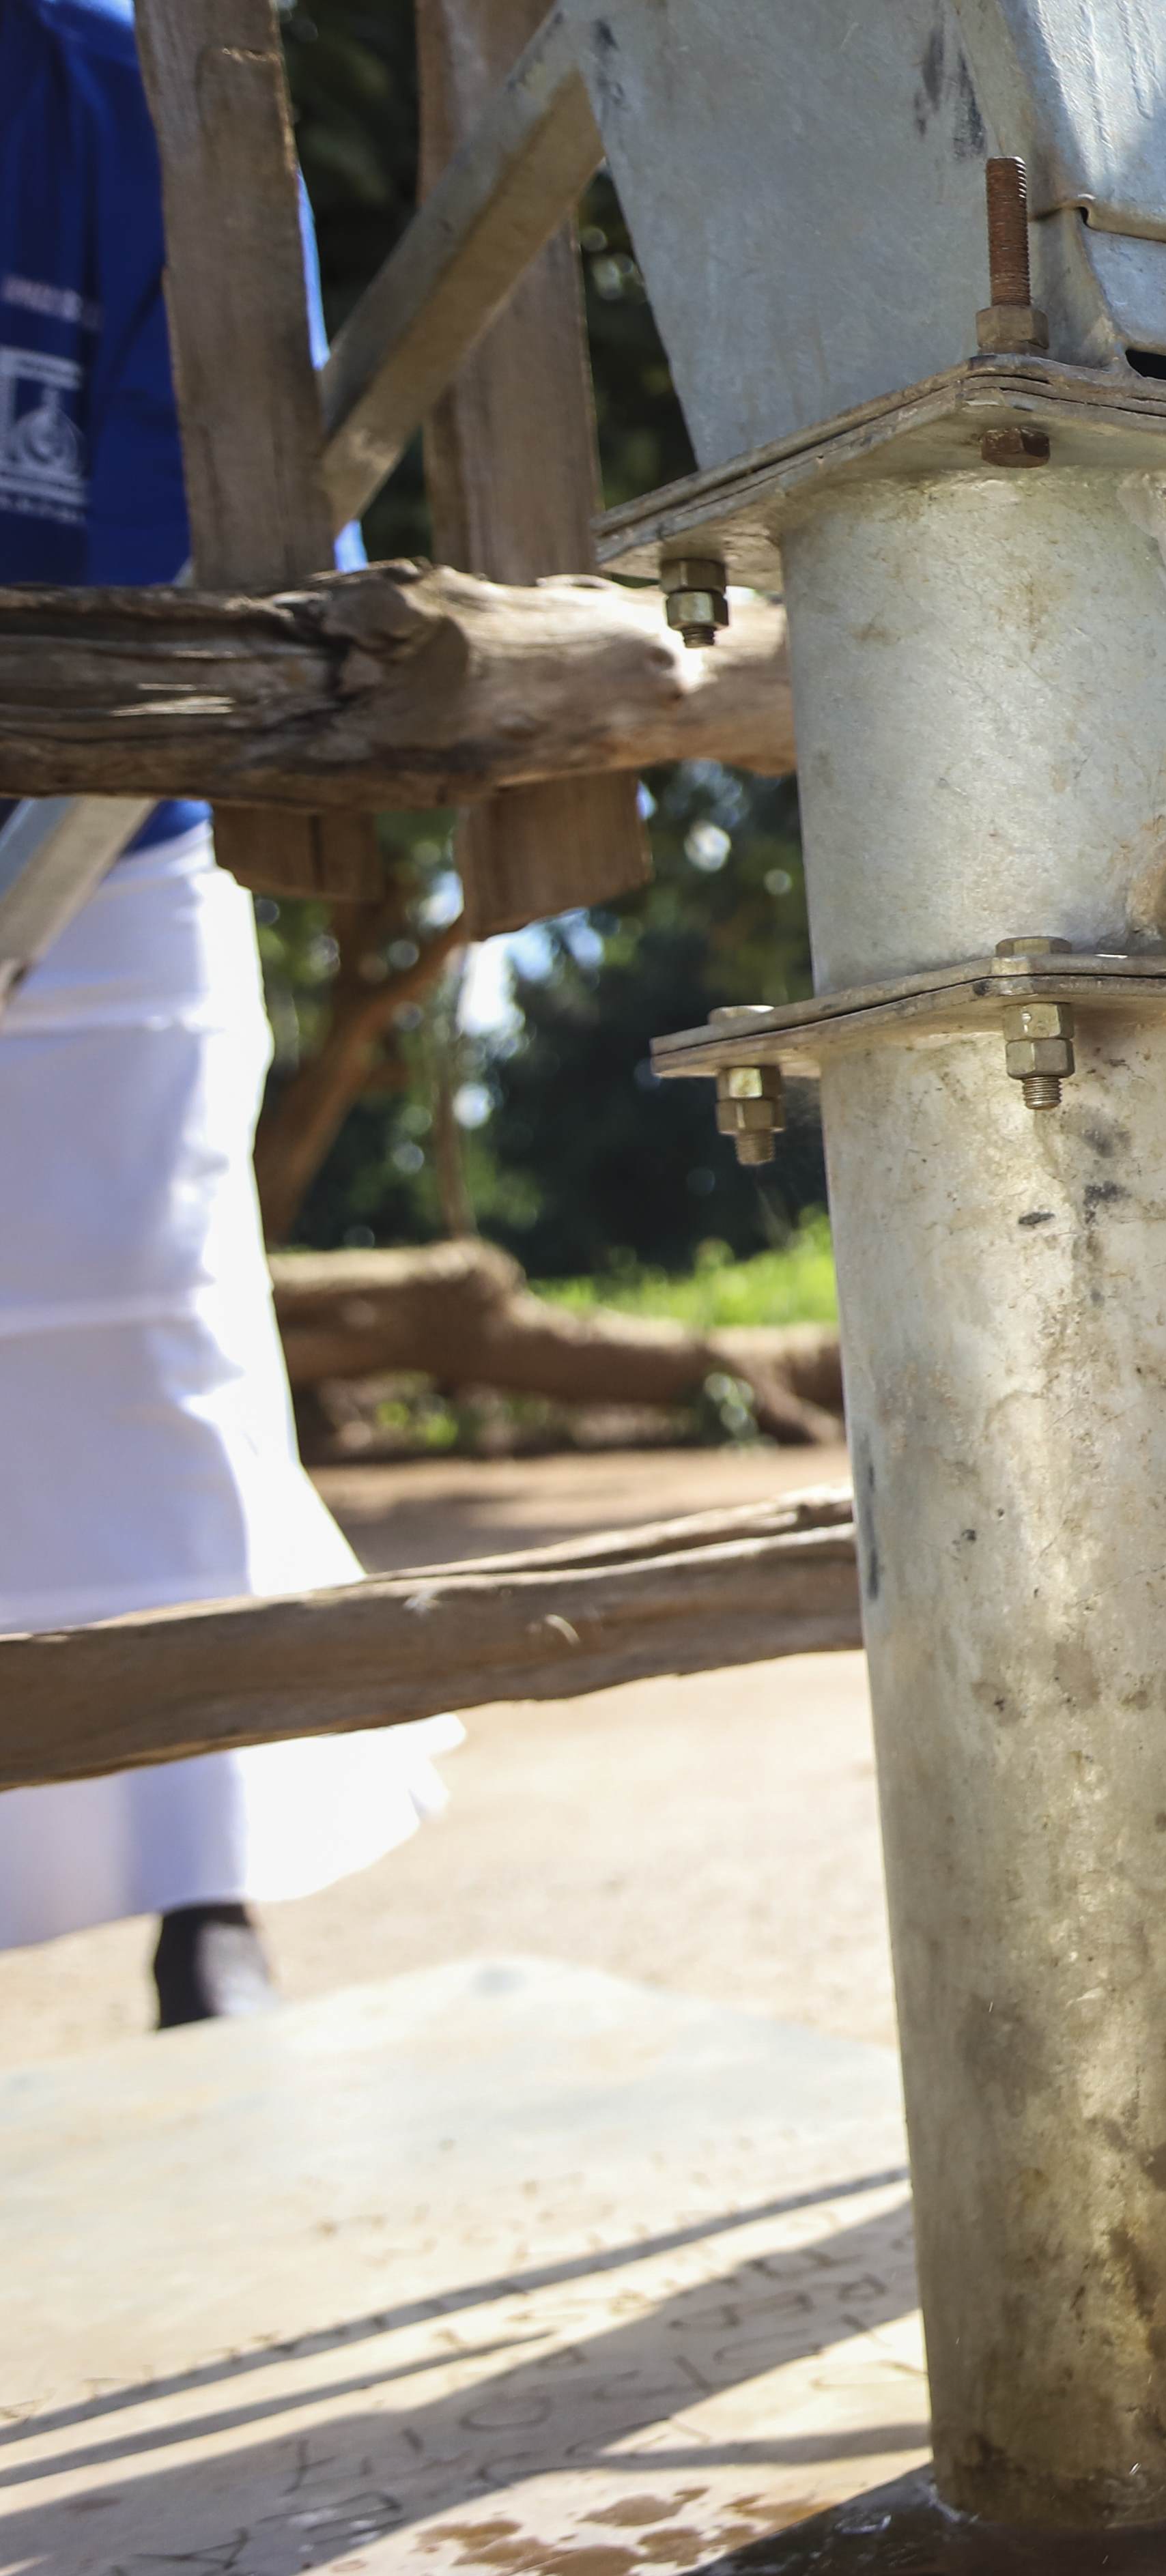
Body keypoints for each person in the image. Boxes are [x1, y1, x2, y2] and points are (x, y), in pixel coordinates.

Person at [1, 0, 444, 2020]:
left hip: (105, 821)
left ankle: (207, 1892)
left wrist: (74, 777)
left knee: (147, 1338)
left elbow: (220, 466)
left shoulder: (132, 76)